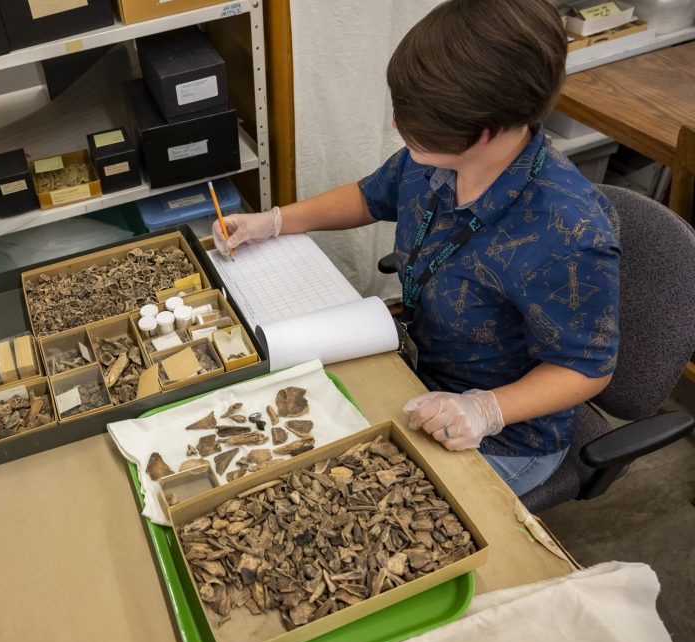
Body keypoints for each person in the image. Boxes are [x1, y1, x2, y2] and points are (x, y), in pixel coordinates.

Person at [212, 0, 620, 497]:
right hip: (415, 369)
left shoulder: (571, 233)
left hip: (502, 432)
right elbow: (370, 196)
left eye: (413, 121)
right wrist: (274, 222)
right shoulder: (432, 158)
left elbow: (586, 367)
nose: (396, 129)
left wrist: (485, 409)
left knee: (352, 504)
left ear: (481, 132)